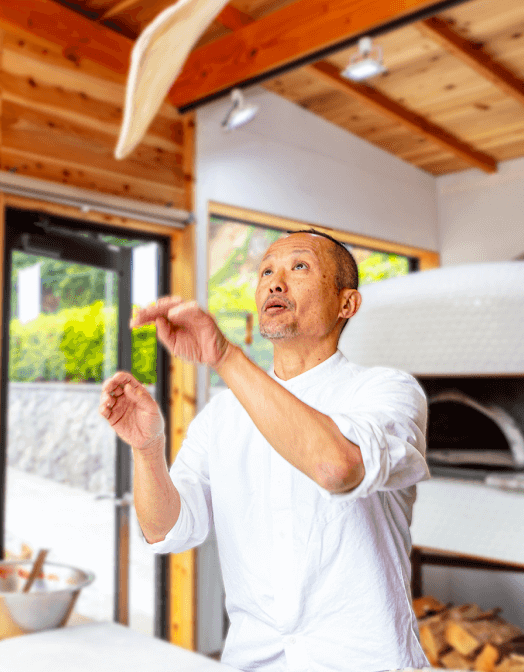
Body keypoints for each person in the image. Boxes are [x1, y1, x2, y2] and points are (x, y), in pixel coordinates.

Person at [99, 230, 430, 672]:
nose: (275, 282)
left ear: (346, 304)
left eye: (299, 267)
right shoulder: (222, 416)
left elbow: (338, 467)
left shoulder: (387, 391)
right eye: (266, 271)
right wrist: (147, 449)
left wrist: (223, 355)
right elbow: (167, 529)